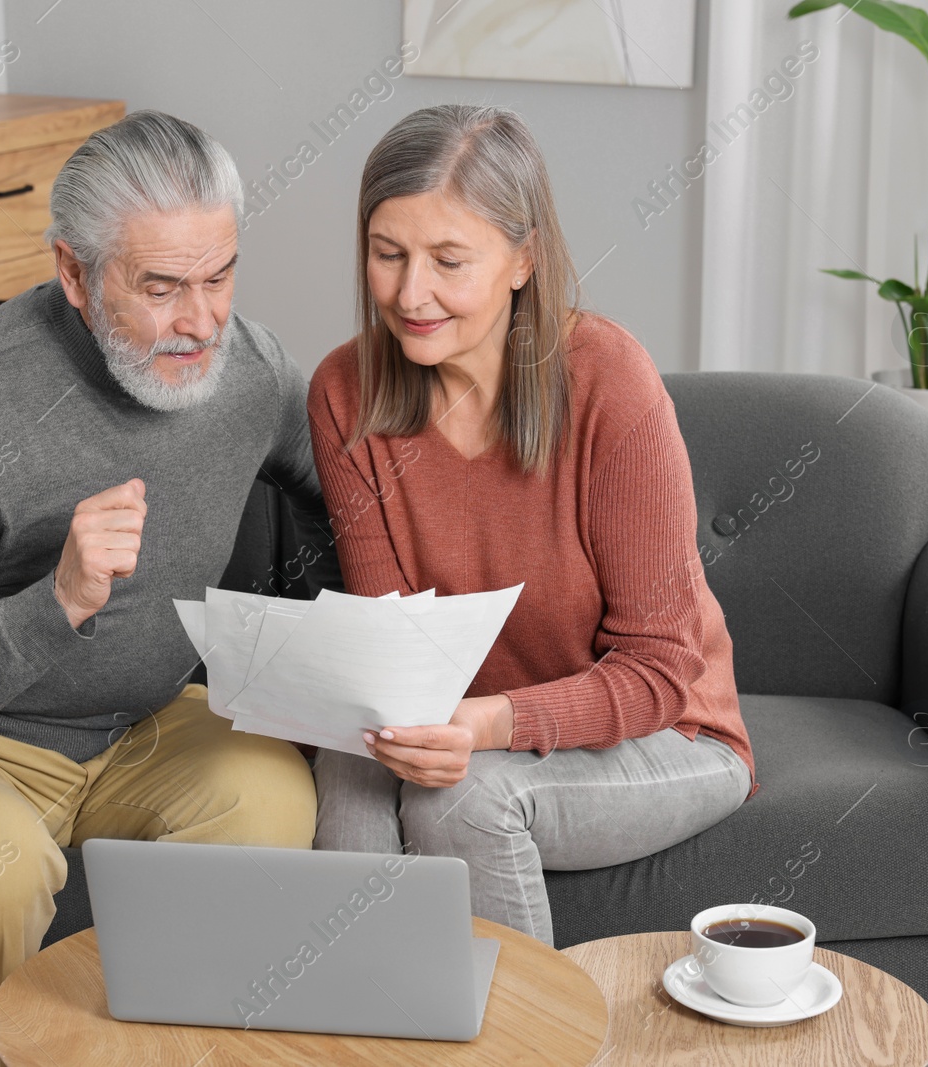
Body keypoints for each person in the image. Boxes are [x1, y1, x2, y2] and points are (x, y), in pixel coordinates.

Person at [0, 109, 338, 1067]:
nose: (201, 320)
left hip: (140, 727)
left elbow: (337, 488)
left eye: (220, 276)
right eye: (161, 287)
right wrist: (54, 603)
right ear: (74, 272)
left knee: (268, 798)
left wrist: (333, 646)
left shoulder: (247, 373)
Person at [307, 103, 757, 949]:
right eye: (387, 254)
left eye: (449, 261)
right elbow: (393, 643)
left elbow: (661, 672)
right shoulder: (345, 392)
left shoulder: (607, 382)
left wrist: (484, 726)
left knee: (465, 796)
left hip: (668, 731)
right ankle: (361, 1033)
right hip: (464, 725)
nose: (411, 295)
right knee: (351, 763)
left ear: (524, 258)